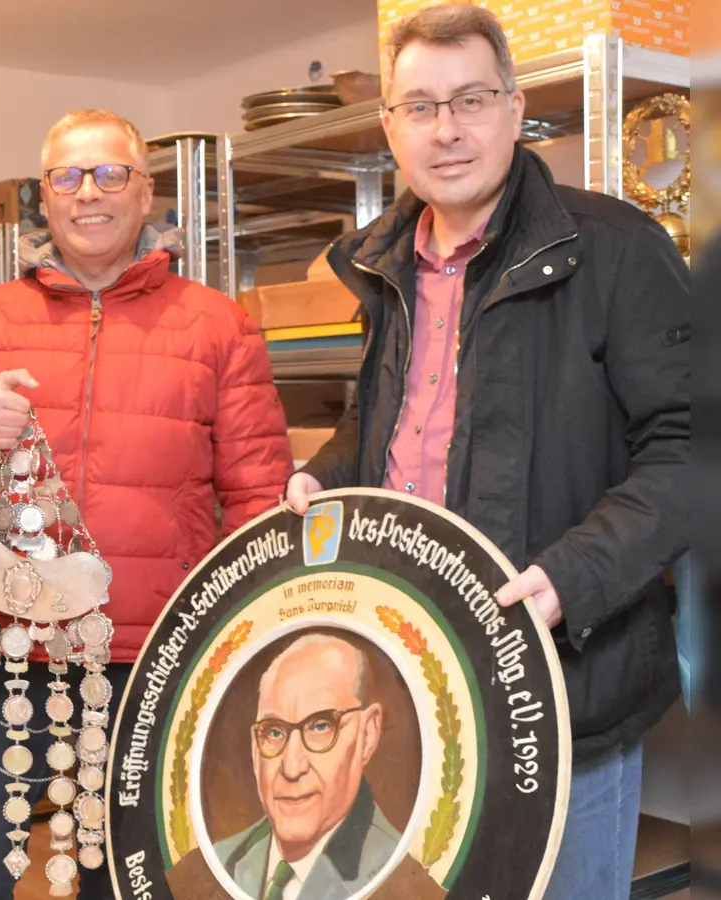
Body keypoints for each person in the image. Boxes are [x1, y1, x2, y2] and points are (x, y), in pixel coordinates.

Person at [283, 6, 690, 899]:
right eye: (420, 106)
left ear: (515, 109)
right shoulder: (385, 264)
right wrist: (331, 468)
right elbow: (404, 422)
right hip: (422, 670)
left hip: (566, 682)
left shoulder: (616, 249)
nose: (447, 128)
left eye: (470, 98)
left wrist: (574, 576)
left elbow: (692, 449)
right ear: (390, 126)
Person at [0, 108, 293, 899]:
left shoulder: (218, 326)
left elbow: (259, 499)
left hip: (149, 659)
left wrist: (242, 647)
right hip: (6, 659)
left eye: (111, 174)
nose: (89, 193)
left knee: (129, 874)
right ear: (45, 197)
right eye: (68, 176)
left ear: (146, 195)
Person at [165, 634, 443, 899]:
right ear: (254, 749)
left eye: (321, 726)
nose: (292, 766)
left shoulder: (405, 880)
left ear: (367, 735)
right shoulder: (219, 863)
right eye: (273, 732)